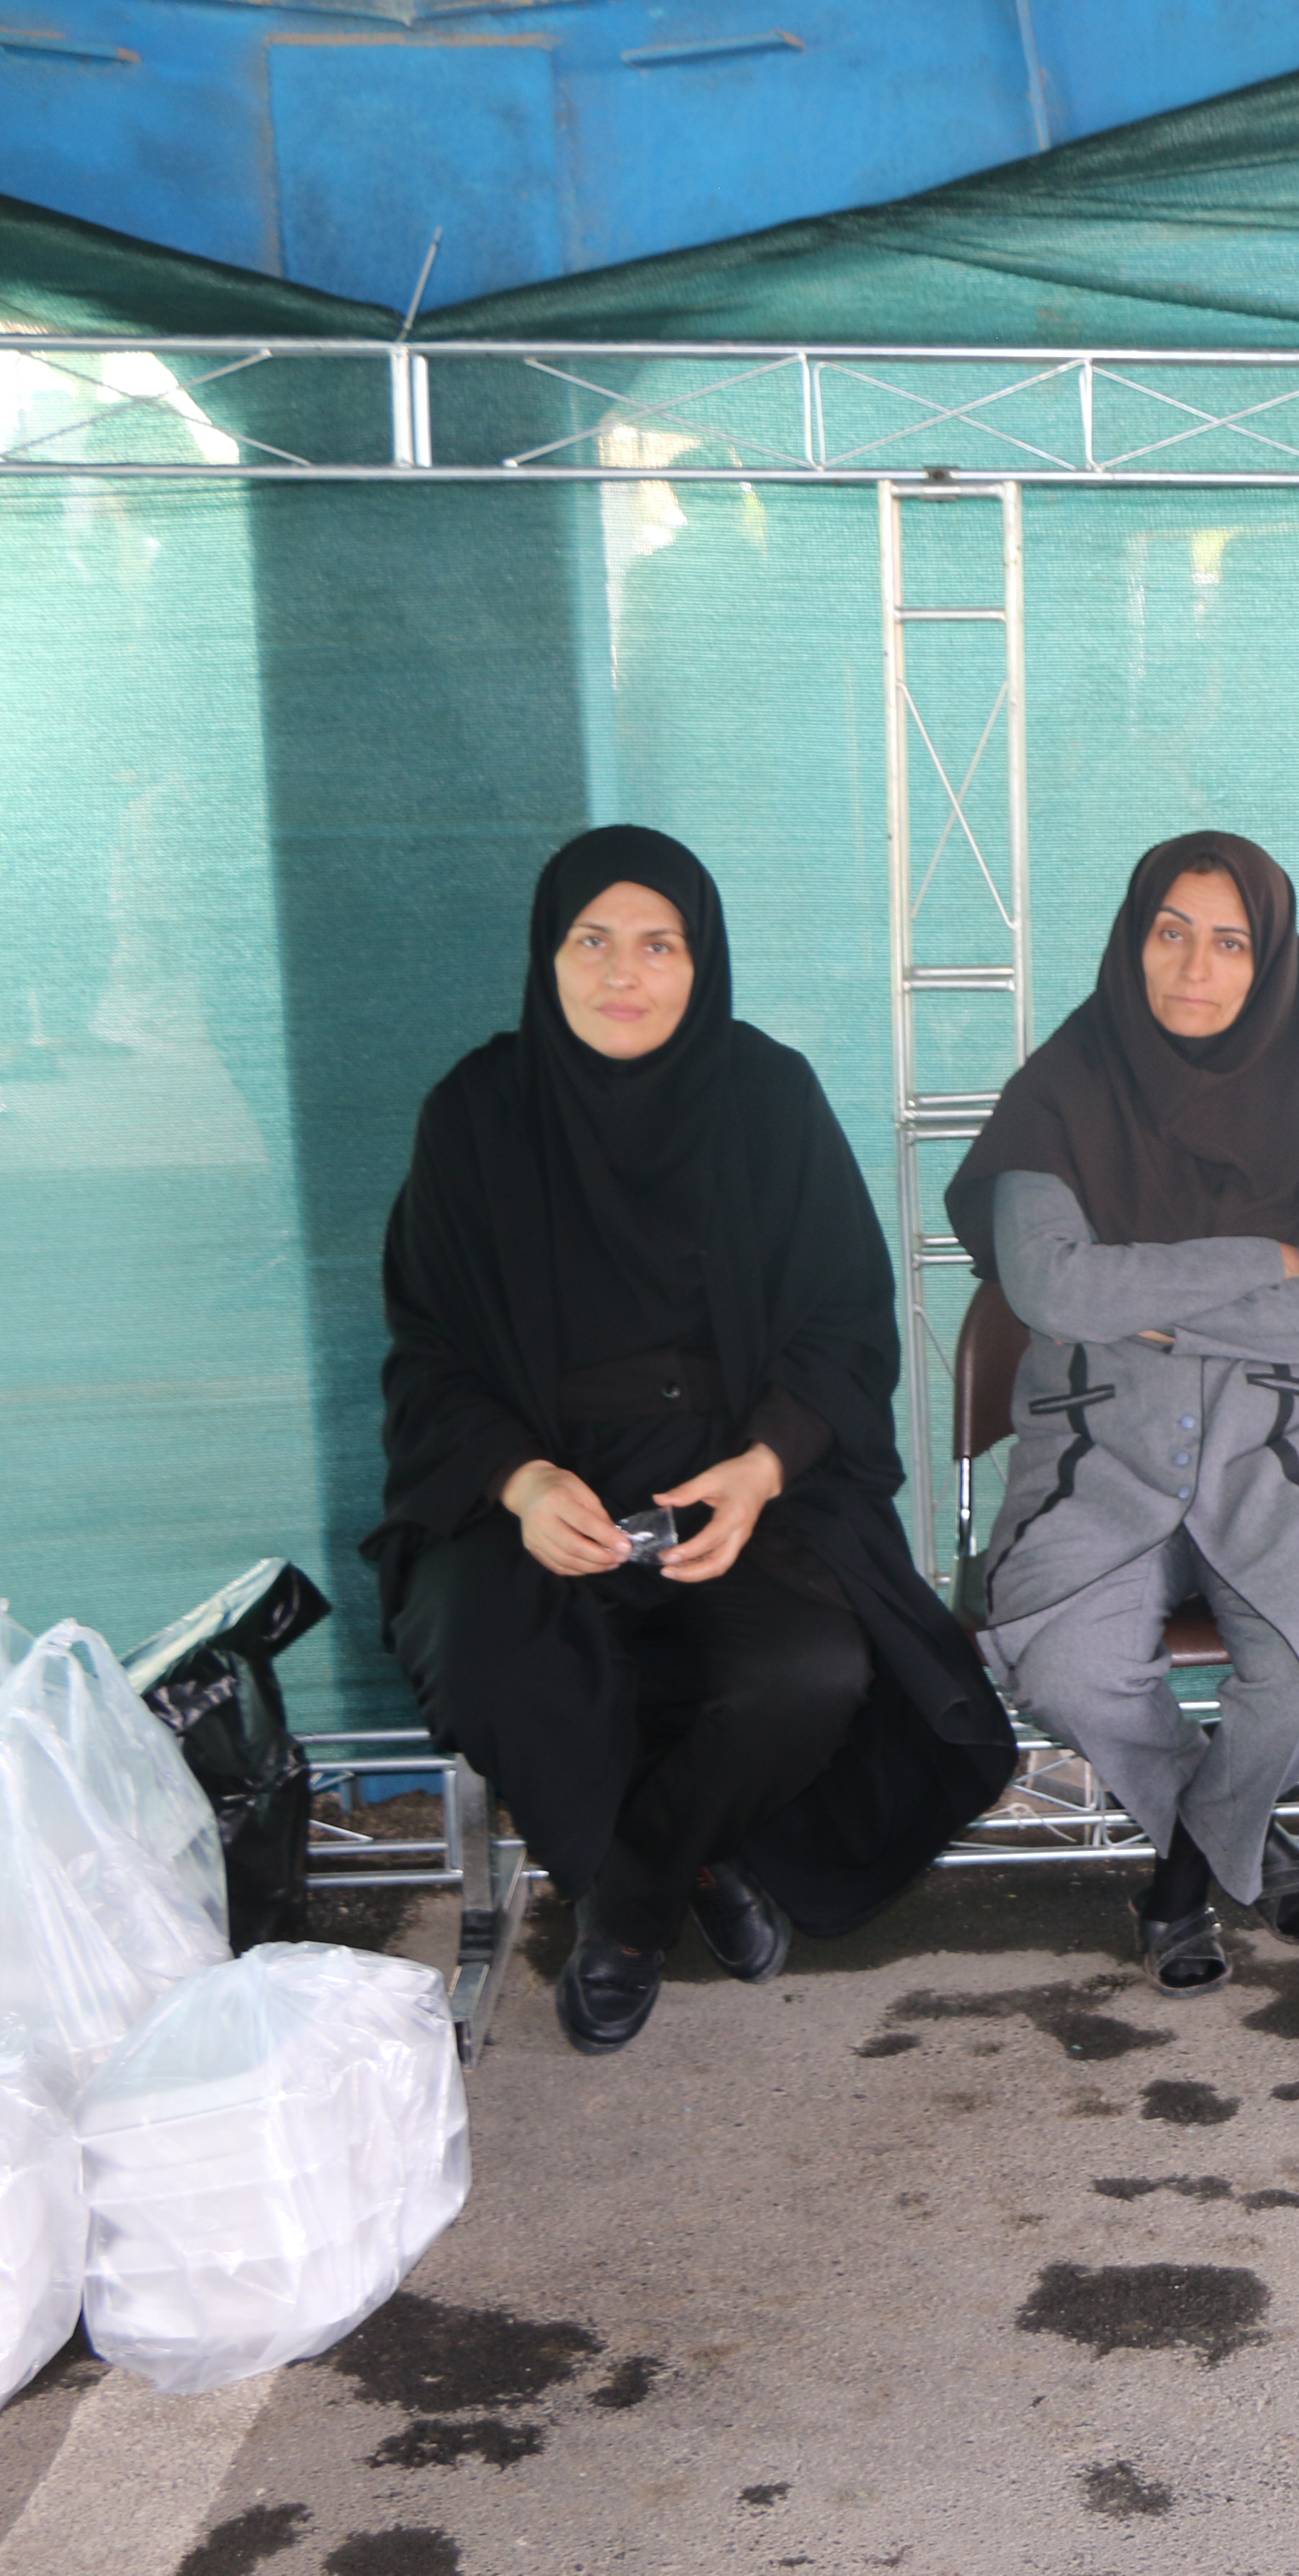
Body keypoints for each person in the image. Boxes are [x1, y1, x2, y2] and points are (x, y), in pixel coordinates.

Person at [374, 827, 1016, 2056]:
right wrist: (522, 1482)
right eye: (593, 941)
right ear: (547, 955)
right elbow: (427, 1351)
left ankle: (629, 1900)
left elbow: (844, 1317)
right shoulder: (474, 1115)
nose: (625, 973)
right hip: (536, 1479)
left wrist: (765, 1466)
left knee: (808, 1671)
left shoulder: (768, 1098)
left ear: (701, 958)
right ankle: (700, 1863)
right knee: (494, 1664)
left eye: (658, 944)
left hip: (733, 1471)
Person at [946, 833, 1299, 1997]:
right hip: (1098, 1442)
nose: (1197, 966)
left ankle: (1183, 1879)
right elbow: (1052, 1287)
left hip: (1277, 1442)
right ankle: (1249, 1841)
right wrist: (1261, 1259)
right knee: (1064, 1668)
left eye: (1231, 942)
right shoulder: (1057, 1092)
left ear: (1270, 960)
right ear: (1132, 938)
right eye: (1172, 932)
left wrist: (1160, 1310)